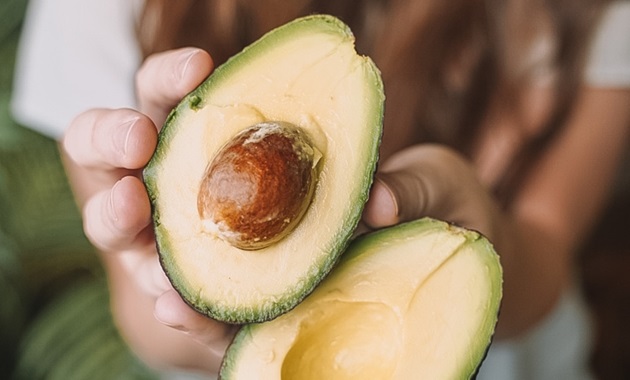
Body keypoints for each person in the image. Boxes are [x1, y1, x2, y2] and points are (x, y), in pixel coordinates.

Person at [10, 0, 630, 378]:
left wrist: (488, 244)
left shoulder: (593, 15)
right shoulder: (95, 7)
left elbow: (548, 249)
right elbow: (140, 318)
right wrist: (209, 321)